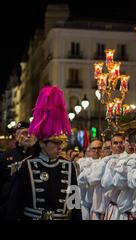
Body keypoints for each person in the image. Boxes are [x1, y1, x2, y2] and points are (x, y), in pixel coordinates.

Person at [6, 86, 81, 220]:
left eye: (62, 143)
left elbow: (75, 206)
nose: (60, 147)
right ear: (42, 143)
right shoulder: (27, 166)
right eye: (56, 142)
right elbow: (14, 206)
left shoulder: (70, 167)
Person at [0, 121, 39, 219]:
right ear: (17, 136)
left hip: (31, 208)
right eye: (24, 133)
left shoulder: (39, 157)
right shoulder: (6, 156)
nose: (28, 136)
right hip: (8, 206)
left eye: (31, 133)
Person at [88, 133, 124, 220]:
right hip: (100, 209)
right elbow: (92, 180)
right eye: (115, 143)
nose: (118, 145)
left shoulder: (126, 159)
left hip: (118, 209)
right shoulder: (101, 163)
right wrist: (104, 162)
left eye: (121, 142)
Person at [77, 140, 102, 219]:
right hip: (84, 201)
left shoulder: (104, 161)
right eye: (94, 148)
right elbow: (78, 180)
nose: (96, 151)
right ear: (90, 150)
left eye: (99, 148)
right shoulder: (82, 162)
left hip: (99, 203)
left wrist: (87, 174)